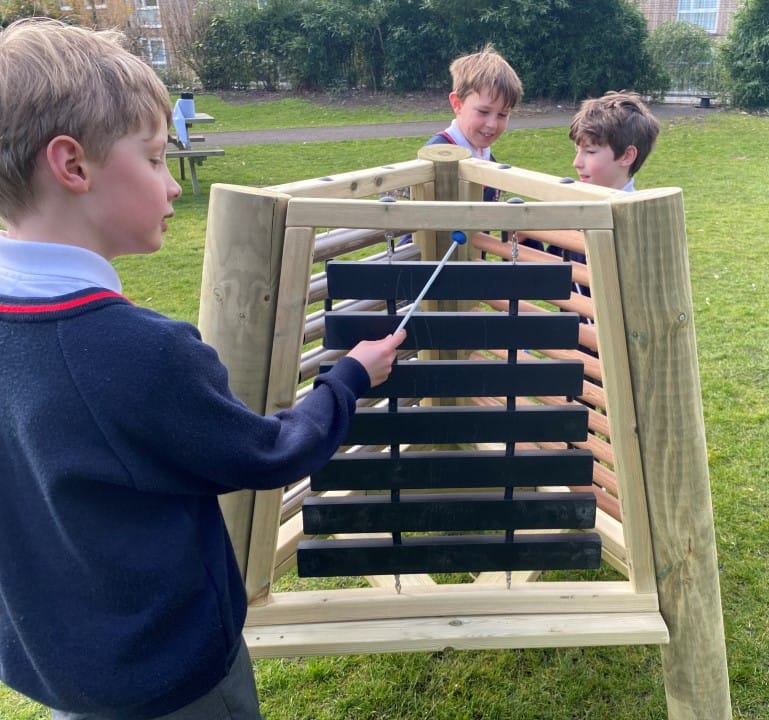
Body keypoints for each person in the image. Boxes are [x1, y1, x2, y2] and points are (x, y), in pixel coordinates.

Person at [0, 18, 404, 720]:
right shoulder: (142, 352)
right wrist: (350, 377)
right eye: (155, 159)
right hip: (174, 682)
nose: (175, 186)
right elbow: (272, 451)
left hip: (64, 672)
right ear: (73, 165)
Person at [533, 91, 661, 296]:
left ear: (627, 156)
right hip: (578, 328)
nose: (576, 163)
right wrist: (525, 238)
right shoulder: (577, 214)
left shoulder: (637, 227)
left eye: (590, 152)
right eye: (577, 151)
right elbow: (551, 280)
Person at [425, 43, 523, 202]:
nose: (492, 124)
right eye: (483, 112)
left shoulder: (486, 156)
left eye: (502, 114)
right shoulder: (437, 156)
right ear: (457, 104)